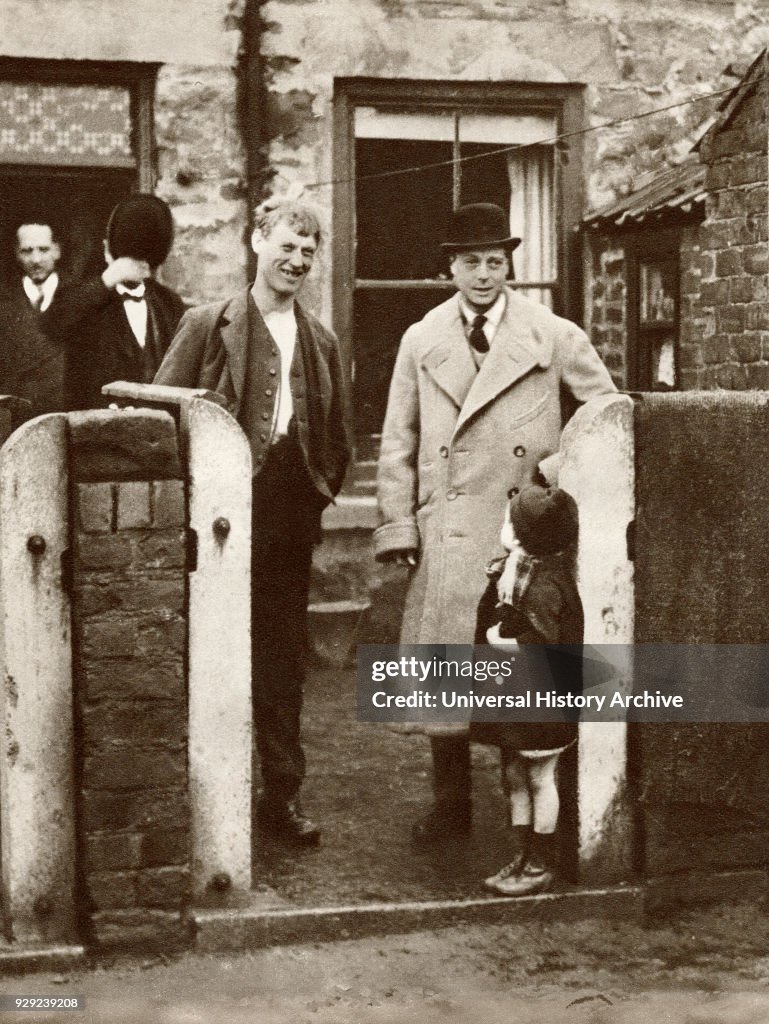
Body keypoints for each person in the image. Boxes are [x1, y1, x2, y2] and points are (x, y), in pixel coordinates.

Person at [374, 202, 615, 845]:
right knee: (447, 679)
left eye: (495, 261)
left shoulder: (553, 334)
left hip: (520, 541)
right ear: (449, 266)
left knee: (517, 678)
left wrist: (548, 480)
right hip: (448, 533)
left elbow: (607, 420)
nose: (484, 274)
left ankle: (530, 825)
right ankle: (451, 806)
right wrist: (399, 525)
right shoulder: (421, 338)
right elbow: (398, 440)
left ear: (509, 264)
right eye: (470, 261)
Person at [154, 195, 351, 846]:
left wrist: (316, 490)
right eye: (285, 245)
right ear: (257, 243)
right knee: (209, 649)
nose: (295, 260)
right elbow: (160, 417)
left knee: (279, 659)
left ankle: (281, 796)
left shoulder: (319, 338)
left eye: (307, 250)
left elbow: (337, 436)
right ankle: (202, 799)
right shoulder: (209, 324)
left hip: (289, 512)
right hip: (218, 516)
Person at [474, 484, 583, 896]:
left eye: (509, 520)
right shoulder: (515, 570)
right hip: (515, 697)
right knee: (515, 776)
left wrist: (506, 644)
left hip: (542, 703)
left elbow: (548, 646)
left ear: (519, 534)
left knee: (540, 777)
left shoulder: (546, 585)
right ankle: (519, 856)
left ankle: (538, 860)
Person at [0, 220, 152, 415]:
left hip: (69, 411)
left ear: (57, 251)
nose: (36, 259)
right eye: (27, 251)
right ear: (16, 254)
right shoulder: (4, 299)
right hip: (16, 415)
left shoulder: (85, 293)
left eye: (44, 250)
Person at [68, 194, 186, 410]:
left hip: (159, 428)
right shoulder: (85, 300)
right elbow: (54, 323)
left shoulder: (170, 303)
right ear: (106, 251)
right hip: (98, 426)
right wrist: (107, 279)